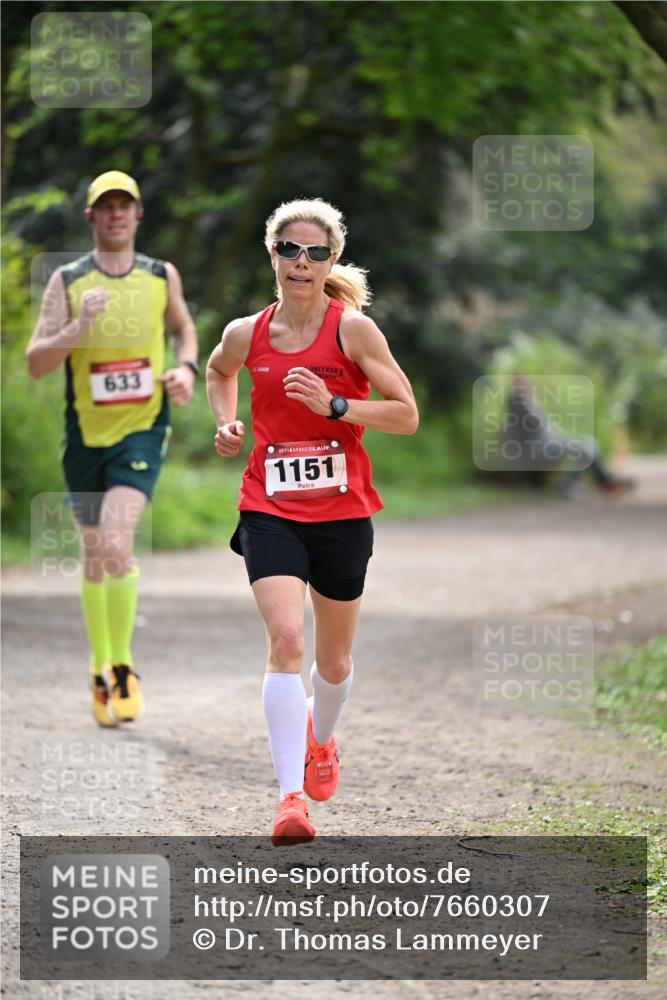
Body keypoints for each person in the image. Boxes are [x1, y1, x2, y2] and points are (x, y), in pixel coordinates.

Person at [207, 198, 419, 846]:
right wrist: (225, 420)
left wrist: (336, 404)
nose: (302, 262)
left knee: (331, 660)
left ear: (330, 260)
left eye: (316, 252)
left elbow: (405, 412)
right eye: (290, 250)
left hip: (341, 511)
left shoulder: (351, 331)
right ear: (272, 255)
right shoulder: (247, 332)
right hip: (268, 505)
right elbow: (219, 370)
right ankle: (288, 797)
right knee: (287, 644)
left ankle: (319, 742)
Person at [26, 170, 198, 727]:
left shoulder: (159, 275)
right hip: (84, 439)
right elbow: (37, 363)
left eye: (126, 206)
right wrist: (78, 326)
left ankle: (122, 666)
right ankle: (99, 666)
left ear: (139, 215)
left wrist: (187, 370)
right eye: (107, 207)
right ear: (92, 218)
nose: (117, 214)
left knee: (119, 544)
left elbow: (184, 331)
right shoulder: (69, 281)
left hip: (142, 429)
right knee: (96, 553)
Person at [507, 375, 634, 497]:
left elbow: (542, 424)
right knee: (584, 447)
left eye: (524, 384)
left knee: (589, 445)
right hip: (538, 445)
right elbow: (534, 423)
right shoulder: (518, 403)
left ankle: (600, 481)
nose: (522, 388)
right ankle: (595, 482)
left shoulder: (529, 403)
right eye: (519, 385)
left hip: (548, 440)